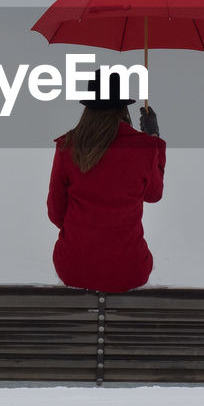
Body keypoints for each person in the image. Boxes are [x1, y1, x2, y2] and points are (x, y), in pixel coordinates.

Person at [46, 69, 166, 293]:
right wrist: (153, 138)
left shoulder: (67, 146)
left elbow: (56, 213)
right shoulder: (142, 147)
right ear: (123, 107)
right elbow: (153, 194)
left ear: (88, 107)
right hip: (129, 270)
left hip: (74, 267)